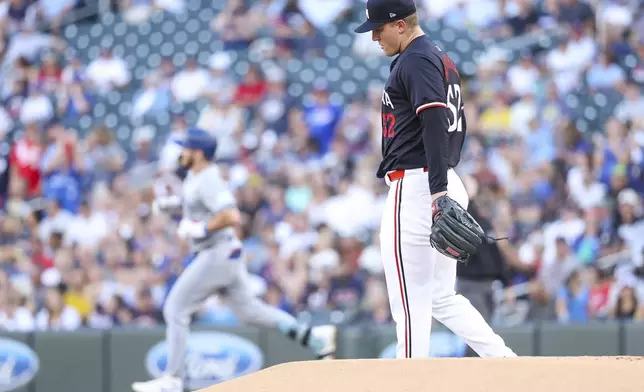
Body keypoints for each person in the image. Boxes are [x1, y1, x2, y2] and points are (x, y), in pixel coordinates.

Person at [353, 0, 516, 359]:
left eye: (379, 28)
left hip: (418, 185)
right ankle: (505, 363)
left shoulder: (416, 58)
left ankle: (411, 381)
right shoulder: (436, 56)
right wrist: (444, 185)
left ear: (400, 25)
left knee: (410, 303)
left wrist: (437, 189)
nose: (375, 37)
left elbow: (434, 121)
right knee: (441, 296)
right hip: (436, 180)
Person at [131, 128, 336, 392]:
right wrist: (171, 205)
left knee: (175, 309)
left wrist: (203, 229)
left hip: (217, 251)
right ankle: (313, 336)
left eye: (186, 148)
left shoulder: (208, 178)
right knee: (251, 311)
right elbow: (196, 203)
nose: (181, 153)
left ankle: (172, 378)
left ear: (199, 153)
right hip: (225, 253)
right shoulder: (196, 177)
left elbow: (231, 215)